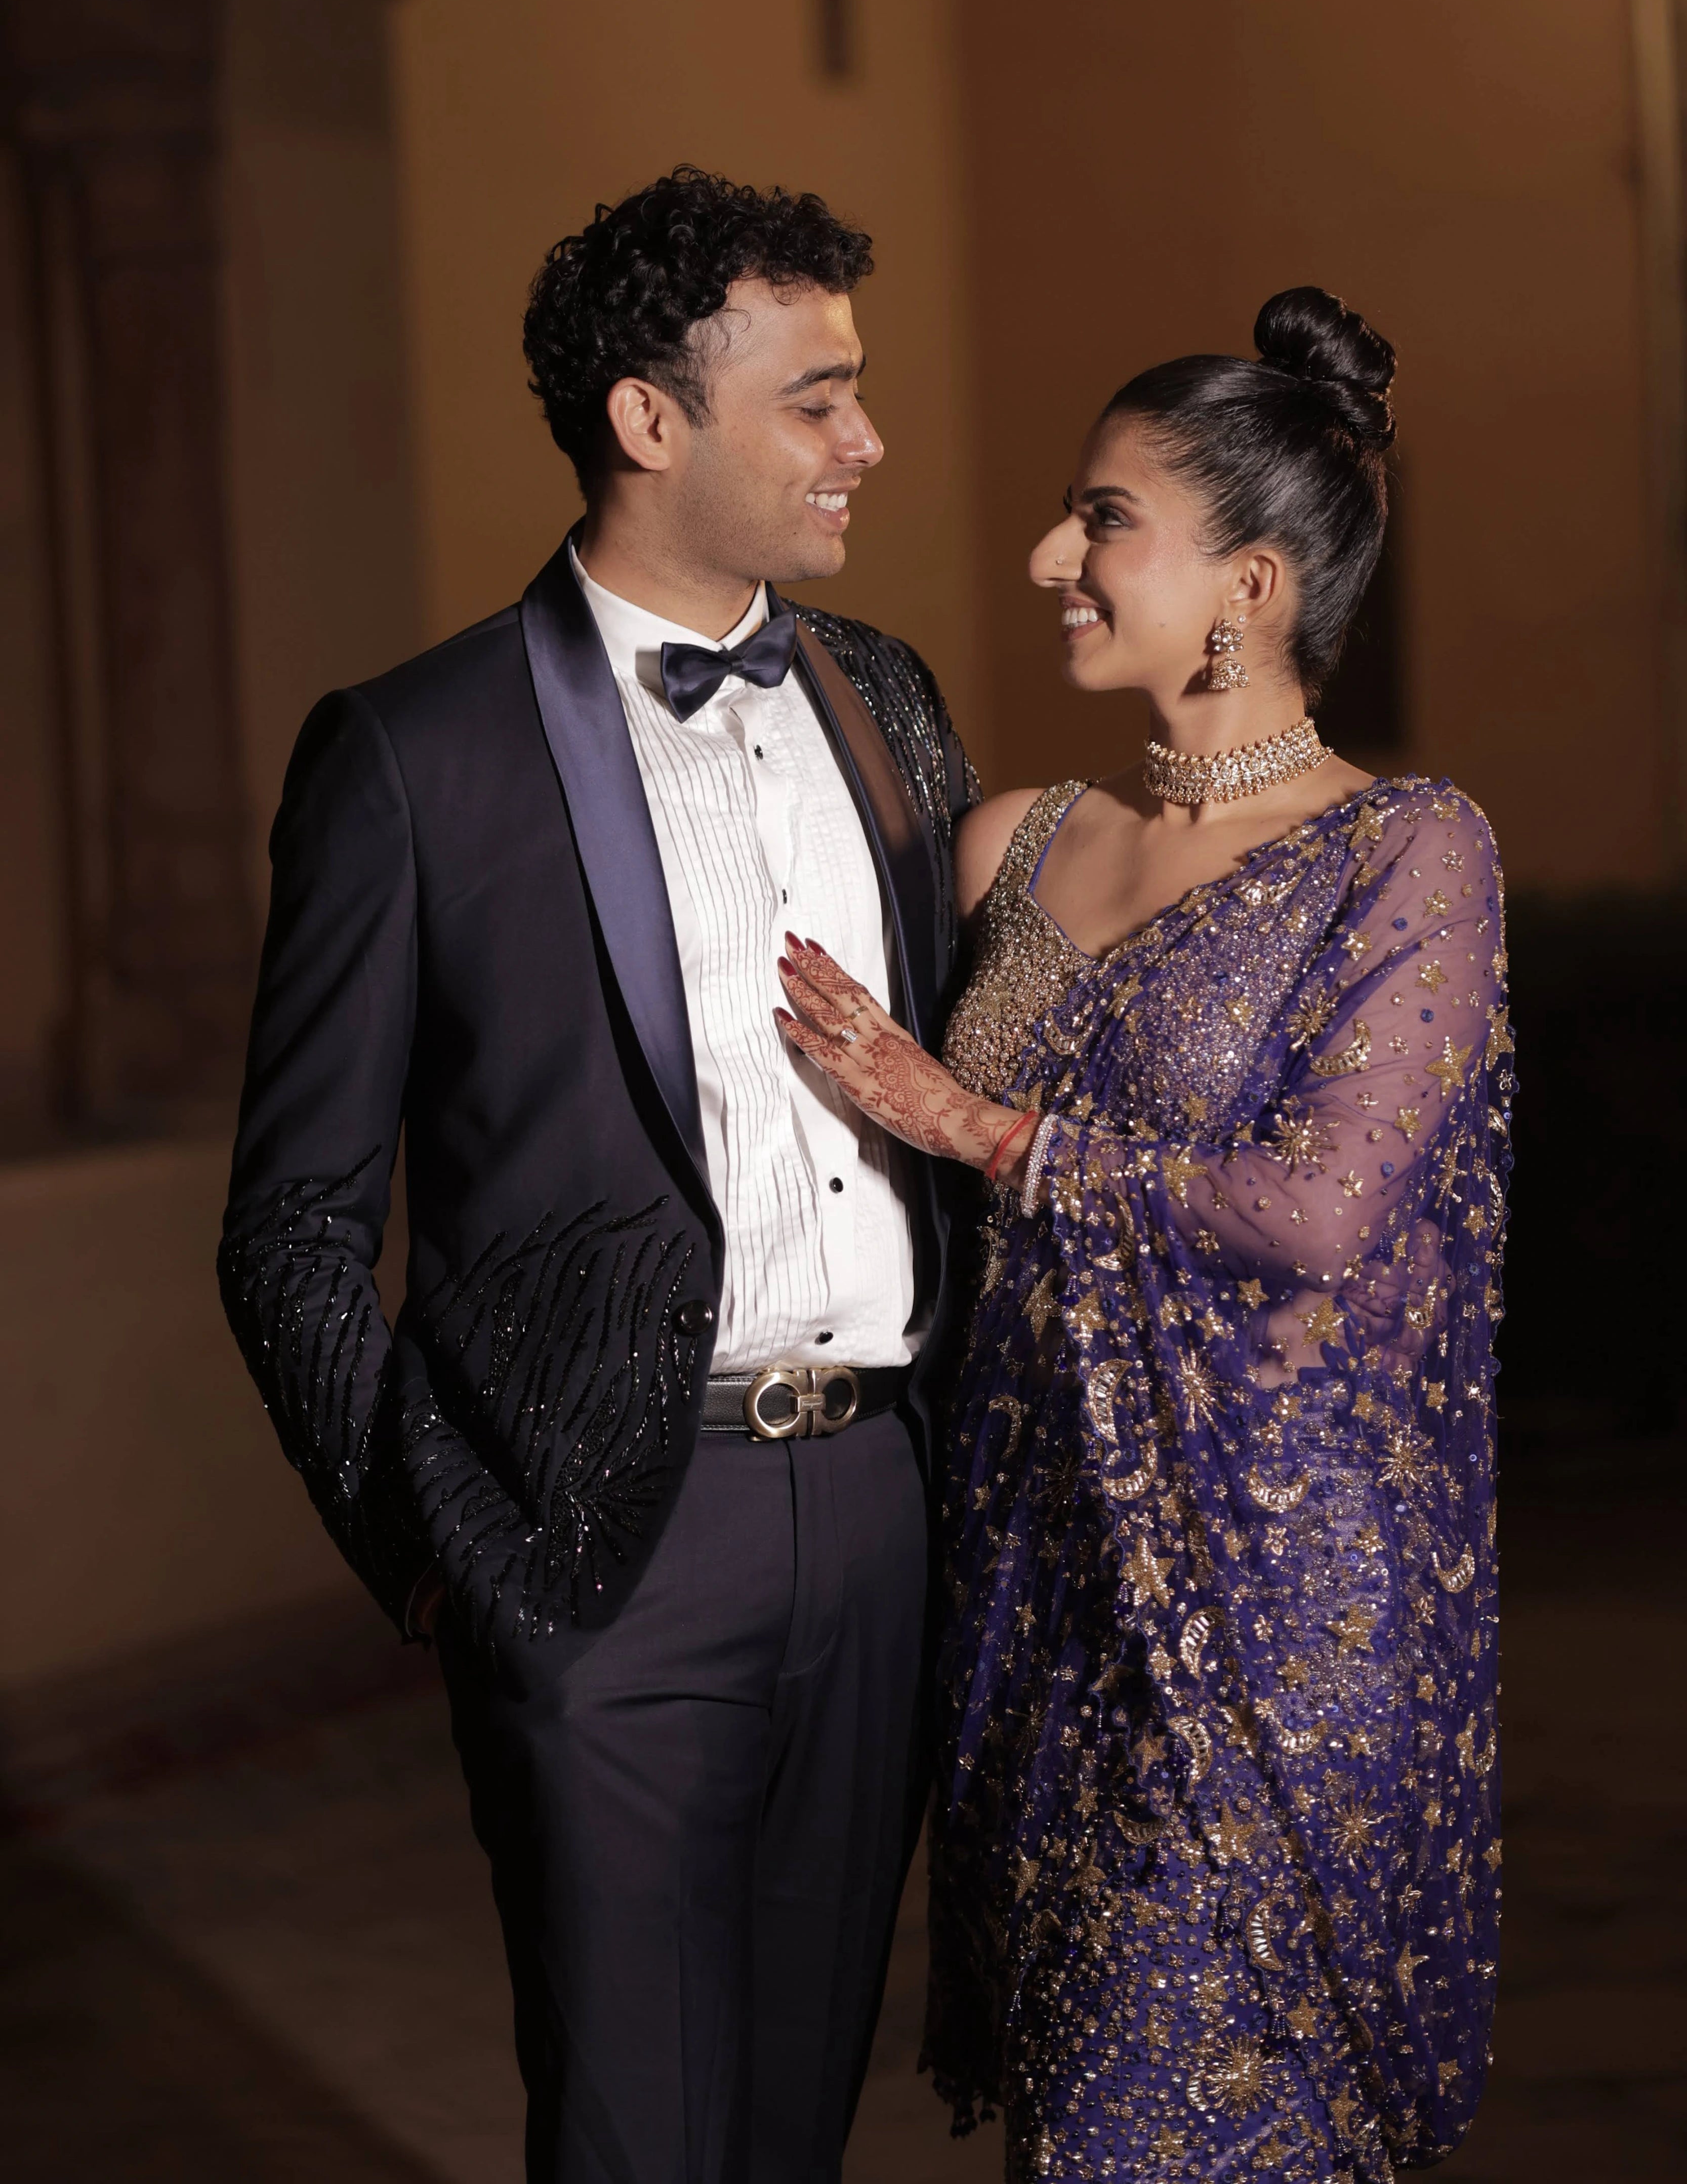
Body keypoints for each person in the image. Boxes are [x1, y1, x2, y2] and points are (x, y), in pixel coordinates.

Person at [218, 167, 979, 2183]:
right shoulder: (412, 752)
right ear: (652, 418)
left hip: (881, 1511)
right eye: (816, 398)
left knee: (796, 2127)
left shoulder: (890, 701)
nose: (866, 440)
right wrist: (445, 1552)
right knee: (637, 2136)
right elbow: (291, 1226)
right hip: (602, 1551)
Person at [774, 287, 1512, 2182]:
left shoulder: (1407, 853)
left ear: (1250, 586)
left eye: (1102, 519)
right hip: (1033, 1597)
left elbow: (1323, 1210)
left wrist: (984, 1127)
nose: (1050, 558)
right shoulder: (1012, 844)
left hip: (1275, 1623)